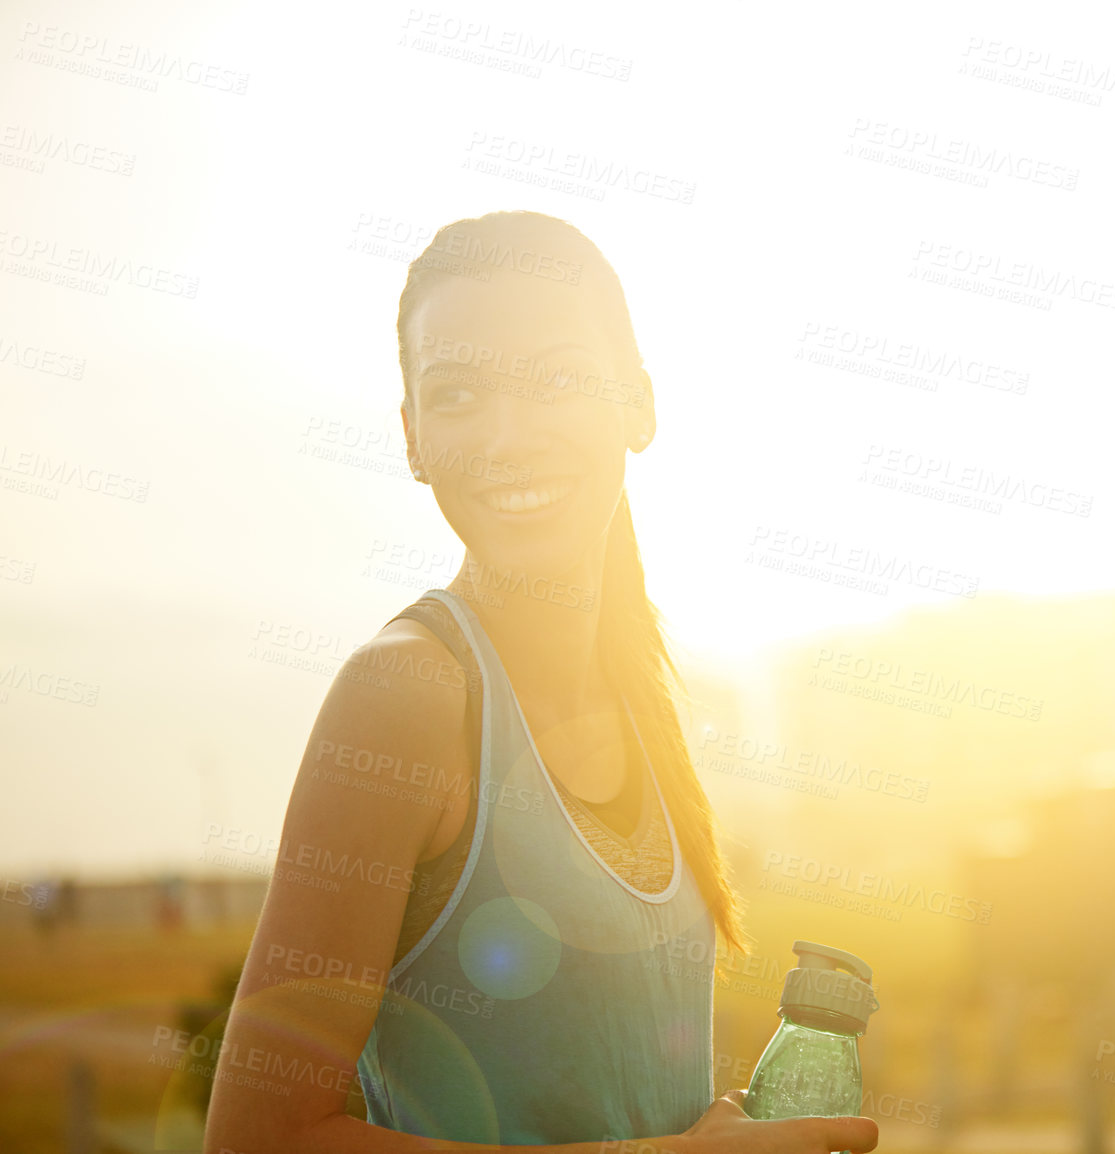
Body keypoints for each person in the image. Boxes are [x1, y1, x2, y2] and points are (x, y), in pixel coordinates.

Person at [205, 211, 878, 1154]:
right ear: (411, 436)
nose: (508, 437)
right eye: (458, 393)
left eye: (557, 378)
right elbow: (256, 1143)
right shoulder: (405, 698)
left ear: (639, 404)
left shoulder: (641, 697)